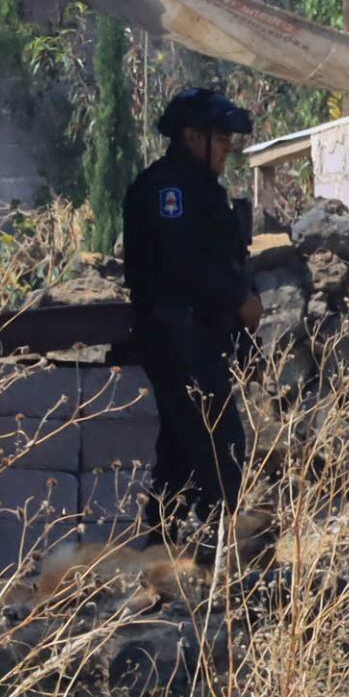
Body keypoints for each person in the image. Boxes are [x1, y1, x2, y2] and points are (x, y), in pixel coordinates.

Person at [123, 87, 262, 546]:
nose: (227, 149)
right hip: (176, 334)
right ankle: (213, 549)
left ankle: (166, 548)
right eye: (220, 139)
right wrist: (237, 298)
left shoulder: (199, 188)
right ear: (191, 137)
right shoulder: (170, 190)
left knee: (182, 447)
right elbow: (184, 264)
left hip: (198, 334)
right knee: (221, 443)